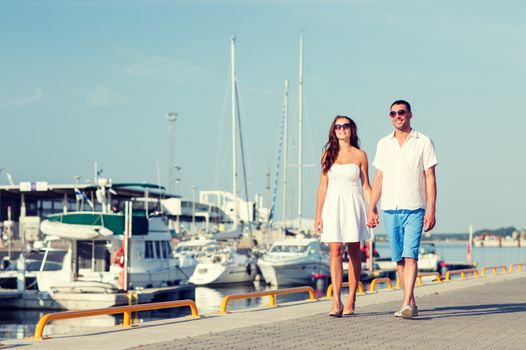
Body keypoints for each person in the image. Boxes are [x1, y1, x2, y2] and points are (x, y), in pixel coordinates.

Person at [367, 100, 437, 319]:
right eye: (393, 113)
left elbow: (430, 177)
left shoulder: (423, 141)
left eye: (401, 112)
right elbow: (378, 178)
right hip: (389, 208)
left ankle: (406, 302)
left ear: (410, 114)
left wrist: (431, 209)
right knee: (398, 258)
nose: (397, 116)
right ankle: (411, 302)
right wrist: (372, 207)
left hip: (415, 206)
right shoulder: (383, 143)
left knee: (410, 255)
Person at [314, 115, 373, 317]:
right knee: (335, 251)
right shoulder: (327, 154)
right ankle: (336, 301)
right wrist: (318, 215)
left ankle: (351, 299)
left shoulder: (360, 155)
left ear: (351, 129)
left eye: (345, 126)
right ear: (334, 130)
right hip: (332, 205)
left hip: (353, 203)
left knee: (354, 252)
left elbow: (366, 186)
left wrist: (372, 208)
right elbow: (322, 187)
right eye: (338, 126)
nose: (342, 129)